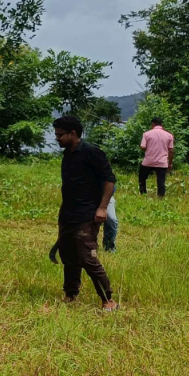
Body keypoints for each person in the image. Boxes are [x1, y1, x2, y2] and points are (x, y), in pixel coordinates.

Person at [52, 116, 117, 310]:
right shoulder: (68, 154)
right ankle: (71, 294)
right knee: (69, 257)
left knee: (87, 257)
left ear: (73, 134)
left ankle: (108, 300)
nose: (57, 138)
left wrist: (103, 208)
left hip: (87, 215)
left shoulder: (91, 152)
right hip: (68, 214)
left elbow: (109, 180)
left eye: (60, 135)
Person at [138, 117, 174, 197]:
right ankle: (160, 197)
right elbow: (171, 150)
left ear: (153, 124)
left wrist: (148, 150)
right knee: (161, 181)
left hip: (148, 161)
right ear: (162, 124)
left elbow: (142, 146)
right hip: (162, 162)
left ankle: (143, 193)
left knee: (142, 178)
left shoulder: (146, 134)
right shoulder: (169, 135)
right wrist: (170, 163)